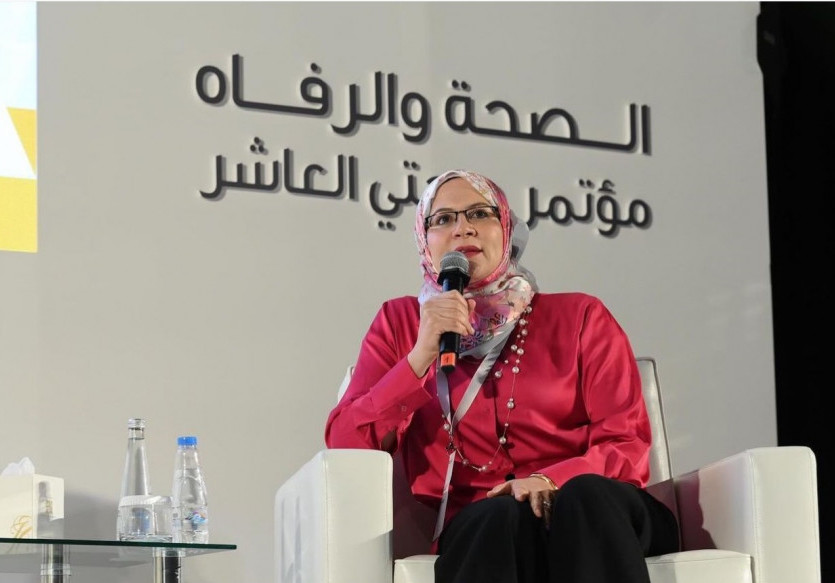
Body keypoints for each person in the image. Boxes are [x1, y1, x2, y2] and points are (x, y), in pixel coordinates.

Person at [325, 169, 680, 583]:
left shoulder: (580, 316)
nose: (463, 228)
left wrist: (549, 480)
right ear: (424, 240)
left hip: (598, 511)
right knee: (496, 518)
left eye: (480, 213)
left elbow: (626, 442)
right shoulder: (400, 324)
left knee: (584, 496)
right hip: (487, 523)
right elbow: (346, 443)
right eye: (443, 219)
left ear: (507, 228)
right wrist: (420, 356)